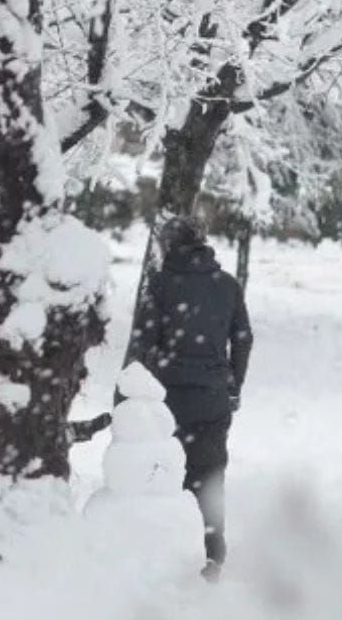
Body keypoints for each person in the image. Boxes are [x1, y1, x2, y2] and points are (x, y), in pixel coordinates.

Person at [128, 216, 253, 580]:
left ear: (168, 245)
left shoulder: (160, 285)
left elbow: (143, 341)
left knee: (166, 475)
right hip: (213, 397)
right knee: (210, 475)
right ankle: (213, 554)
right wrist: (233, 384)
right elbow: (243, 338)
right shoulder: (227, 285)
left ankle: (171, 553)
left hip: (167, 401)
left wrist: (143, 380)